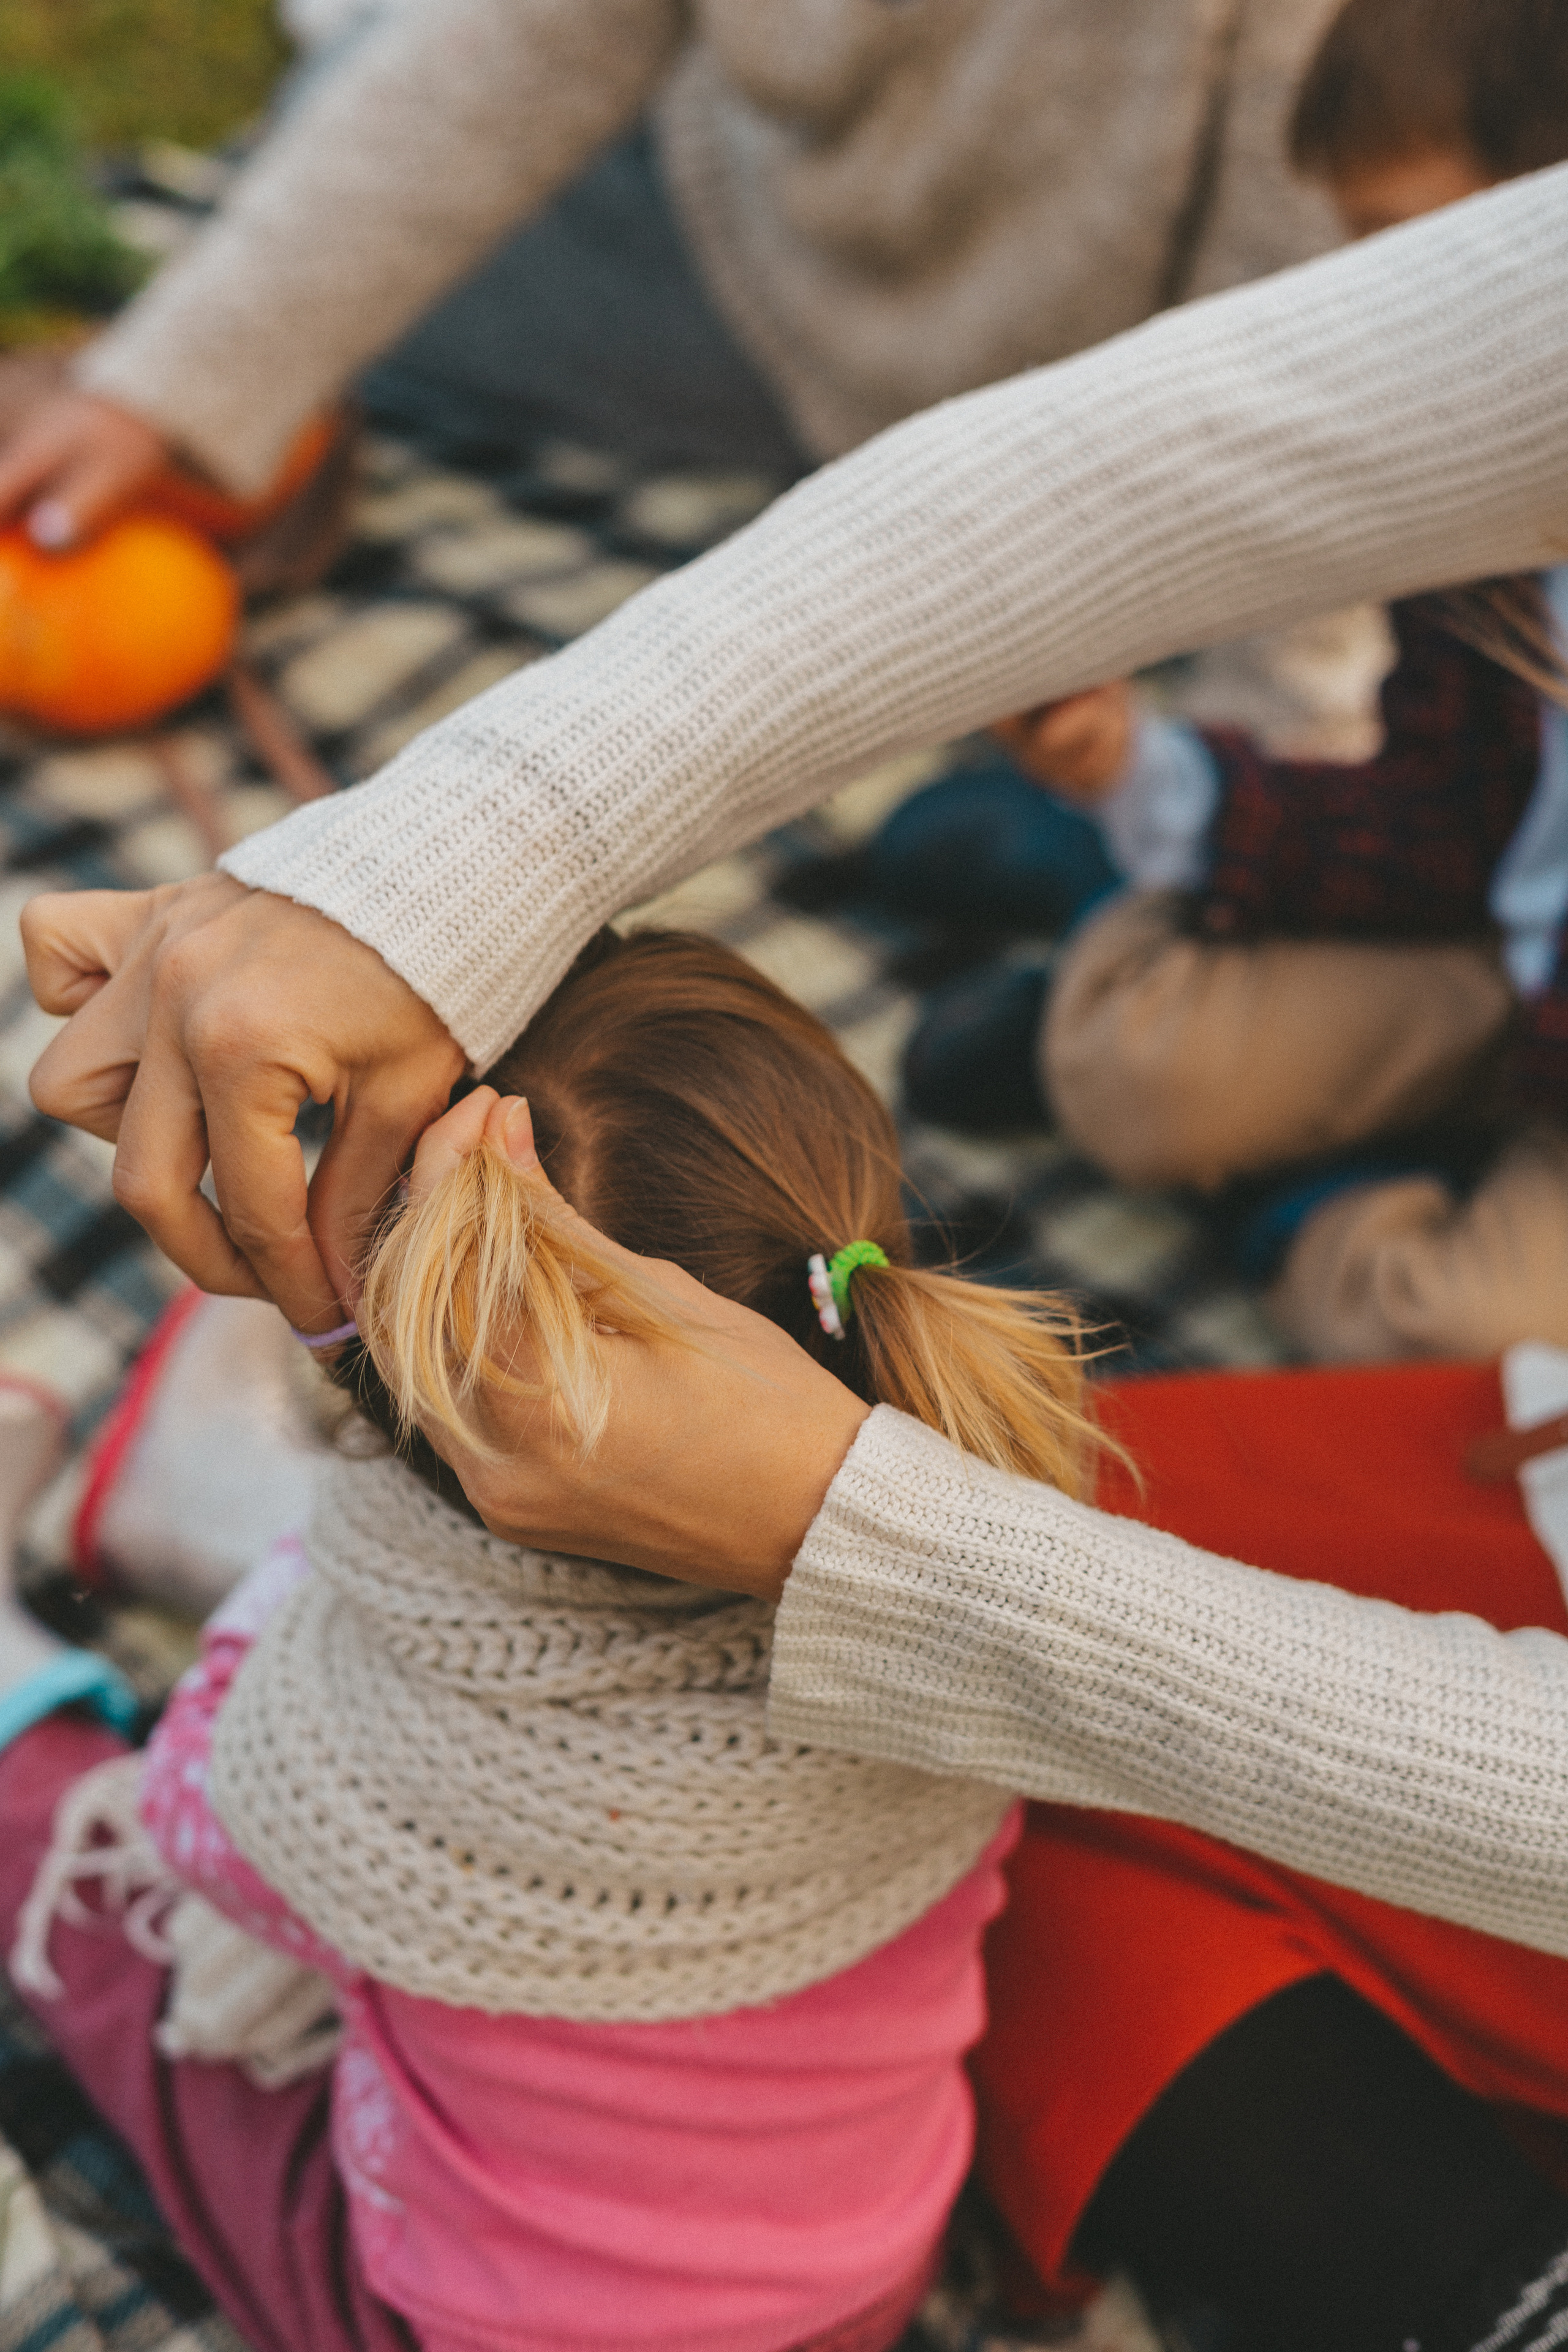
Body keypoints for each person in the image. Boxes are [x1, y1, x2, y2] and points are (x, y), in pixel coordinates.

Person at [2, 925, 1104, 2352]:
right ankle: (194, 1497)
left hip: (473, 2329)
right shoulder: (979, 1570)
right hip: (851, 2291)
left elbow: (205, 1832)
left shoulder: (363, 1753)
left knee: (115, 1954)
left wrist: (316, 1593)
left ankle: (53, 1658)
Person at [893, 0, 1568, 1366]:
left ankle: (1301, 1175)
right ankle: (1117, 857)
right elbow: (1441, 819)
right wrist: (1144, 771)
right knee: (1133, 1068)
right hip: (1498, 957)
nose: (1367, 311)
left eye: (1407, 252)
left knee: (1455, 1342)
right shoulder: (1491, 527)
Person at [0, 0, 1342, 545]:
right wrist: (169, 385)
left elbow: (1299, 324)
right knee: (357, 109)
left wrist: (1249, 782)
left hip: (1065, 363)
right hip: (753, 220)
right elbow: (546, 34)